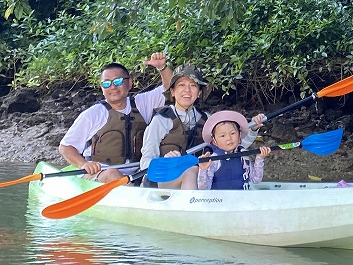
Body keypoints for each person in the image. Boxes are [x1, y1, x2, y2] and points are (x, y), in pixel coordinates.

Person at [57, 54, 174, 182]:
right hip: (100, 173)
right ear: (102, 88)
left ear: (129, 83)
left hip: (136, 171)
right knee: (113, 174)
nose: (112, 87)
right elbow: (66, 147)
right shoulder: (92, 114)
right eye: (106, 83)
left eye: (118, 81)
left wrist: (162, 67)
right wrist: (84, 165)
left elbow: (169, 89)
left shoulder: (142, 104)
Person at [139, 66, 209, 190]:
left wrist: (253, 130)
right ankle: (189, 207)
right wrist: (165, 162)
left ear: (199, 93)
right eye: (181, 85)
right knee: (190, 172)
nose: (187, 90)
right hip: (162, 181)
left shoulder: (207, 120)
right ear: (172, 91)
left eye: (193, 86)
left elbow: (230, 144)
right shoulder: (160, 120)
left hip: (200, 177)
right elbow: (145, 163)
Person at [197, 110, 272, 190]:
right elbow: (203, 189)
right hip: (220, 201)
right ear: (214, 141)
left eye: (233, 133)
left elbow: (256, 179)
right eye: (222, 136)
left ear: (239, 135)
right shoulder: (214, 160)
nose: (229, 138)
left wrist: (259, 159)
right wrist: (203, 170)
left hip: (242, 200)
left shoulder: (243, 155)